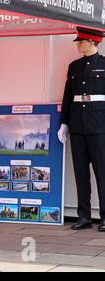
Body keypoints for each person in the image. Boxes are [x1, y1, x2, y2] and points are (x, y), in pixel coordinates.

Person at [58, 27, 105, 232]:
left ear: (93, 42)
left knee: (102, 173)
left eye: (81, 42)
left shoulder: (104, 64)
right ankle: (84, 216)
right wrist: (64, 122)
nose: (78, 44)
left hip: (99, 124)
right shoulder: (74, 66)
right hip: (78, 125)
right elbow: (68, 96)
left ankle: (104, 217)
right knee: (80, 173)